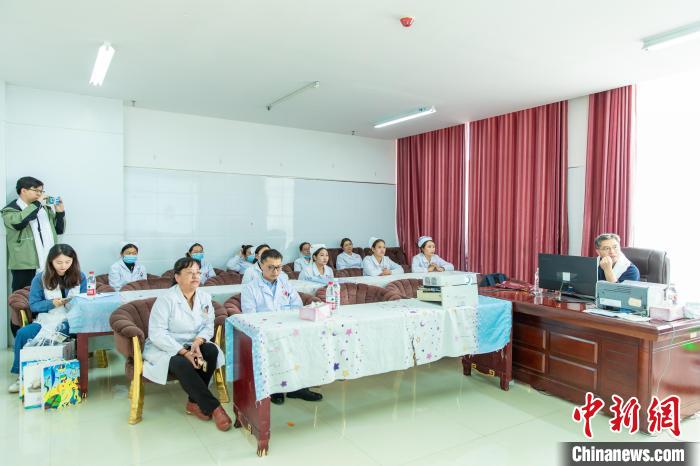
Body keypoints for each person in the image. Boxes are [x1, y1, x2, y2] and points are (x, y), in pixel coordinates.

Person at [142, 257, 231, 431]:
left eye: (198, 272)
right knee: (181, 363)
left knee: (211, 351)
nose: (195, 276)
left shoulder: (204, 297)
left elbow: (208, 325)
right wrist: (184, 352)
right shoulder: (166, 299)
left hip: (193, 342)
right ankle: (215, 408)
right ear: (177, 277)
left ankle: (193, 402)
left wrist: (198, 342)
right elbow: (157, 334)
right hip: (167, 347)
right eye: (190, 273)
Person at [241, 249, 322, 404]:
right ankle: (276, 389)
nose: (275, 271)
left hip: (288, 326)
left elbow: (297, 305)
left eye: (278, 267)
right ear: (261, 265)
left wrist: (286, 322)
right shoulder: (250, 288)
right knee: (276, 345)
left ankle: (298, 388)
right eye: (271, 267)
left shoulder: (286, 284)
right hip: (265, 330)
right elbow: (250, 315)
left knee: (306, 341)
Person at [8, 244, 86, 393]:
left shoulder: (80, 277)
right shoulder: (40, 278)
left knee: (62, 330)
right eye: (59, 262)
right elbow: (34, 305)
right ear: (51, 262)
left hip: (71, 319)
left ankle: (53, 374)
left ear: (73, 261)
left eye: (68, 262)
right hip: (46, 319)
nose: (63, 266)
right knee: (22, 334)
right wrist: (51, 303)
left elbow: (85, 300)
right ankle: (21, 376)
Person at [2, 176, 66, 294]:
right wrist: (37, 204)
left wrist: (60, 212)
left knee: (51, 294)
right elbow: (18, 223)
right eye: (36, 190)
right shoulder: (10, 210)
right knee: (23, 296)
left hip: (49, 261)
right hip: (25, 264)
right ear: (23, 190)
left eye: (41, 191)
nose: (40, 194)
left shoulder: (45, 209)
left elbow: (59, 229)